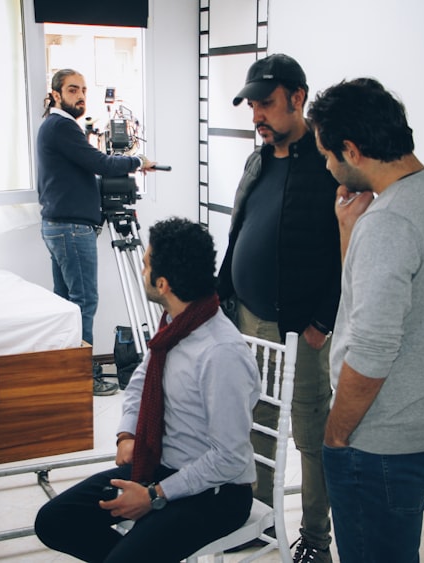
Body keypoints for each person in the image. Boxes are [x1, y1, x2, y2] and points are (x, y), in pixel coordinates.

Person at [306, 77, 424, 562]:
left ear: (352, 150)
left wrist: (336, 434)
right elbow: (366, 303)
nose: (328, 165)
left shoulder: (390, 222)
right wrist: (349, 231)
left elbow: (374, 349)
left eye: (328, 155)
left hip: (381, 443)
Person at [34, 217, 261, 562]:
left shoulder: (220, 353)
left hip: (216, 494)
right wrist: (127, 434)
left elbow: (230, 459)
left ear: (163, 283)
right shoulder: (174, 326)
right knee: (54, 521)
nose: (141, 271)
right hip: (161, 467)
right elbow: (141, 381)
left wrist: (155, 495)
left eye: (145, 264)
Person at [216, 53, 340, 563]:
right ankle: (261, 522)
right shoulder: (259, 159)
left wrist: (322, 322)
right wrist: (222, 293)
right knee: (258, 423)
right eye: (251, 105)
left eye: (265, 104)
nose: (256, 116)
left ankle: (314, 539)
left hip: (301, 331)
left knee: (311, 436)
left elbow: (345, 251)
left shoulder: (329, 162)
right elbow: (238, 229)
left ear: (297, 98)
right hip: (249, 318)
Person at [36, 68, 156, 396]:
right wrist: (136, 162)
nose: (81, 96)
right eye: (73, 90)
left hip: (60, 227)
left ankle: (68, 372)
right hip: (71, 229)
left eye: (84, 90)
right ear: (57, 94)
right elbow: (100, 163)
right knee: (84, 300)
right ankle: (83, 376)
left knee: (67, 304)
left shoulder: (55, 127)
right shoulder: (61, 126)